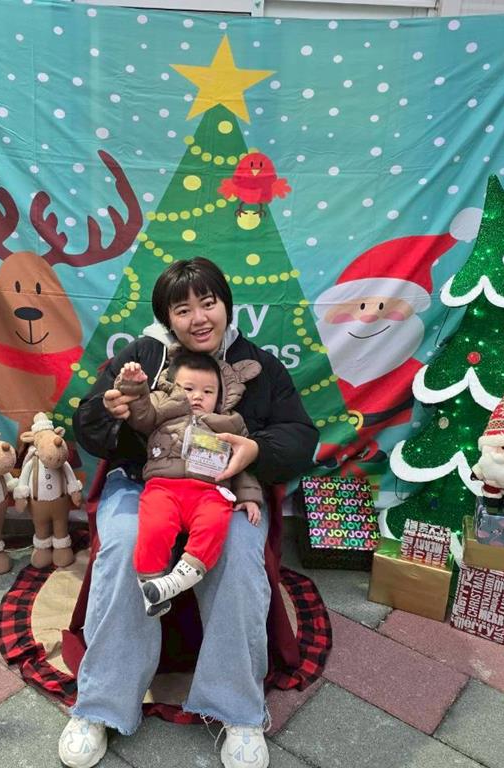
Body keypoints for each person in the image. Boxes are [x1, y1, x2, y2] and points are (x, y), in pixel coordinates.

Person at [59, 258, 317, 768]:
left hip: (223, 491)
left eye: (209, 303)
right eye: (183, 309)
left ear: (226, 305)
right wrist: (107, 412)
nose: (199, 318)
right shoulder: (141, 357)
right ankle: (100, 705)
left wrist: (254, 450)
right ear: (167, 318)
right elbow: (88, 425)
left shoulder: (259, 366)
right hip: (144, 484)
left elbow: (299, 436)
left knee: (238, 555)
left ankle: (238, 710)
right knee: (125, 547)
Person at [115, 350, 264, 617]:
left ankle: (177, 580)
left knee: (215, 523)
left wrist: (249, 496)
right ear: (173, 387)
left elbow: (242, 463)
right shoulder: (163, 411)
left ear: (220, 395)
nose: (197, 396)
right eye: (188, 389)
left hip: (211, 492)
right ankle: (150, 583)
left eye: (208, 392)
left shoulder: (230, 423)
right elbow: (141, 413)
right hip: (163, 487)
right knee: (154, 526)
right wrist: (135, 386)